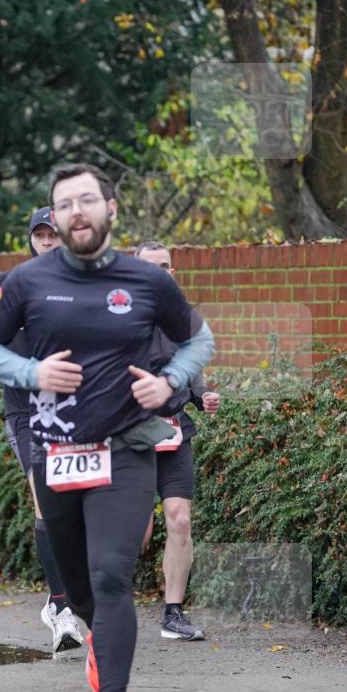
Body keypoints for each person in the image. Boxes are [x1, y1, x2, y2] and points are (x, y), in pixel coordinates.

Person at [0, 164, 214, 692]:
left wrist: (171, 383)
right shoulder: (26, 281)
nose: (75, 211)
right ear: (53, 217)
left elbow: (198, 339)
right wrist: (29, 373)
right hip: (58, 453)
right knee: (82, 592)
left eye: (87, 199)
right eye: (63, 204)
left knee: (111, 577)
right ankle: (93, 637)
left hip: (127, 448)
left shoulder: (145, 280)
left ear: (110, 209)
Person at [0, 208, 84, 653]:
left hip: (72, 411)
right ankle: (61, 609)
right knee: (46, 497)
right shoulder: (7, 282)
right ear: (30, 239)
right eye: (41, 234)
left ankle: (69, 595)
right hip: (24, 411)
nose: (48, 241)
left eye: (55, 234)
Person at [135, 241, 221, 641]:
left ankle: (173, 614)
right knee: (137, 532)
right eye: (151, 266)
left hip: (174, 433)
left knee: (181, 520)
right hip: (131, 437)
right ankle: (99, 606)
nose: (160, 272)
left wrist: (204, 397)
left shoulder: (184, 319)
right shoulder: (118, 319)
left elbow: (193, 373)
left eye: (166, 266)